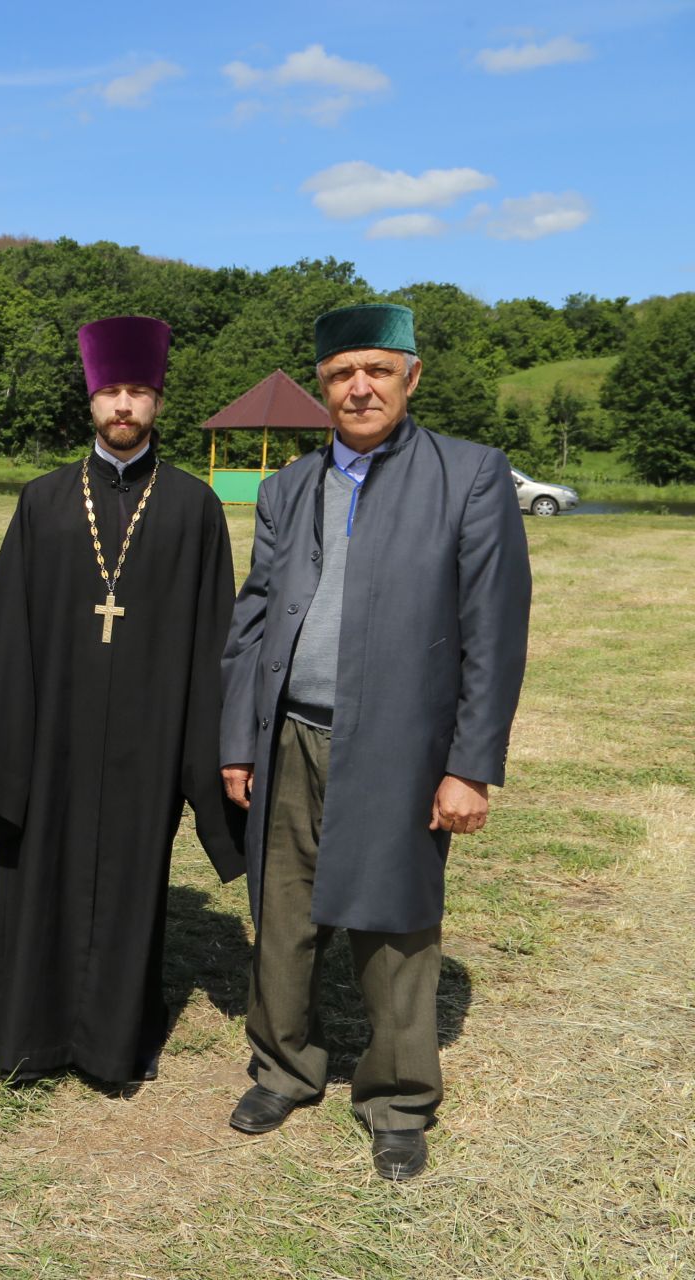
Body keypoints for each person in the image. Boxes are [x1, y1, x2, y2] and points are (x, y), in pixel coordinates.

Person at [220, 303, 531, 1180]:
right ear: (322, 387)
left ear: (411, 377)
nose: (359, 387)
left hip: (402, 744)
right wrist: (241, 739)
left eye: (377, 371)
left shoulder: (469, 476)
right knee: (281, 913)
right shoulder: (287, 487)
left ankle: (397, 1101)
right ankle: (283, 1068)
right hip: (290, 737)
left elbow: (493, 633)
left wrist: (469, 767)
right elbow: (251, 623)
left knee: (395, 923)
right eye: (340, 374)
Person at [0, 316, 244, 1085]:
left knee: (134, 878)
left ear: (158, 402)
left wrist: (210, 752)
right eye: (112, 391)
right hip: (50, 736)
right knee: (36, 869)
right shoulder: (41, 503)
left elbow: (215, 643)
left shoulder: (194, 508)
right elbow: (5, 633)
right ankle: (25, 1031)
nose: (125, 405)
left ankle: (111, 1046)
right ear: (92, 399)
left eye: (139, 392)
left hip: (150, 736)